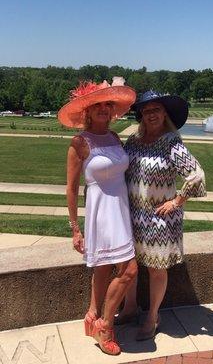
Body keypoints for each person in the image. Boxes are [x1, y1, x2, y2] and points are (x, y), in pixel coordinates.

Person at [58, 77, 138, 356]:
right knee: (128, 270)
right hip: (100, 212)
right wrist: (75, 229)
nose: (103, 108)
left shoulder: (115, 138)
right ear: (87, 111)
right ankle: (105, 326)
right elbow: (70, 188)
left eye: (107, 104)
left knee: (105, 268)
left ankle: (93, 315)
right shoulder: (80, 142)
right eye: (97, 105)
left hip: (121, 210)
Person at [118, 90, 206, 340]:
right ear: (141, 116)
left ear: (164, 113)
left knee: (156, 269)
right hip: (133, 215)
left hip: (159, 219)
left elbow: (196, 174)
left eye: (156, 110)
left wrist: (177, 201)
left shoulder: (171, 142)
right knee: (130, 265)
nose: (151, 115)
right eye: (147, 111)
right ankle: (129, 307)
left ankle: (153, 317)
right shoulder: (134, 141)